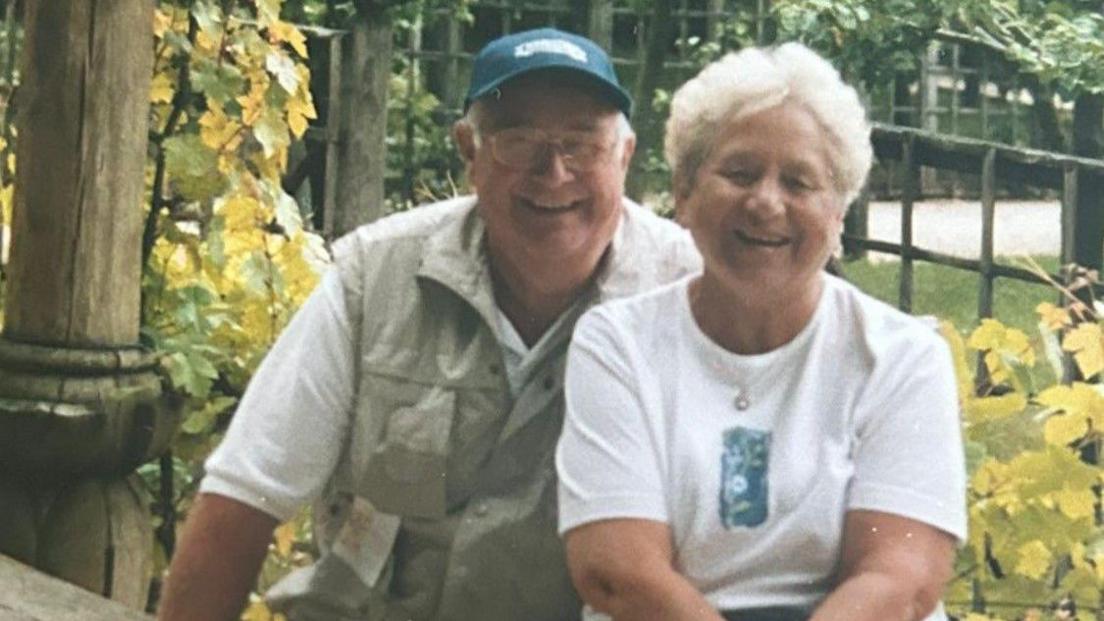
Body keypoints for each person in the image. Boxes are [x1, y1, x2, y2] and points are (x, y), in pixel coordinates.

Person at [157, 28, 700, 621]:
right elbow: (243, 496)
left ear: (624, 156)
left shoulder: (688, 293)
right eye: (518, 140)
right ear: (469, 151)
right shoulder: (376, 277)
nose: (554, 170)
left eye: (582, 144)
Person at [556, 43, 967, 621]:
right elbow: (619, 573)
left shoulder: (902, 357)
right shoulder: (618, 344)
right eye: (739, 173)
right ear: (684, 193)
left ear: (838, 212)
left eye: (800, 183)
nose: (766, 203)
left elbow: (901, 582)